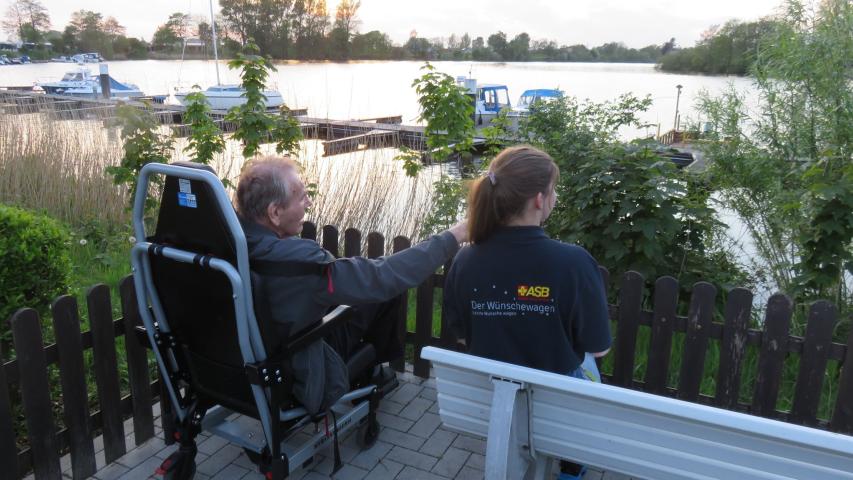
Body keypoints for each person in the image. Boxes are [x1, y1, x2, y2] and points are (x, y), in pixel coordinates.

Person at [234, 155, 467, 415]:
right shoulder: (297, 263)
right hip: (299, 370)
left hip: (244, 365)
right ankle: (370, 376)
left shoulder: (227, 243)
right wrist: (456, 235)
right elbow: (382, 277)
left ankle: (371, 372)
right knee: (385, 294)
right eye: (301, 198)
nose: (309, 203)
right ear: (275, 213)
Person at [443, 145, 611, 480]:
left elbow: (461, 335)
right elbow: (599, 347)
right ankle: (572, 465)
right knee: (590, 367)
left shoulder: (465, 259)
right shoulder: (574, 262)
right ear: (539, 199)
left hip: (494, 397)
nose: (555, 197)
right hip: (555, 406)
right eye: (553, 190)